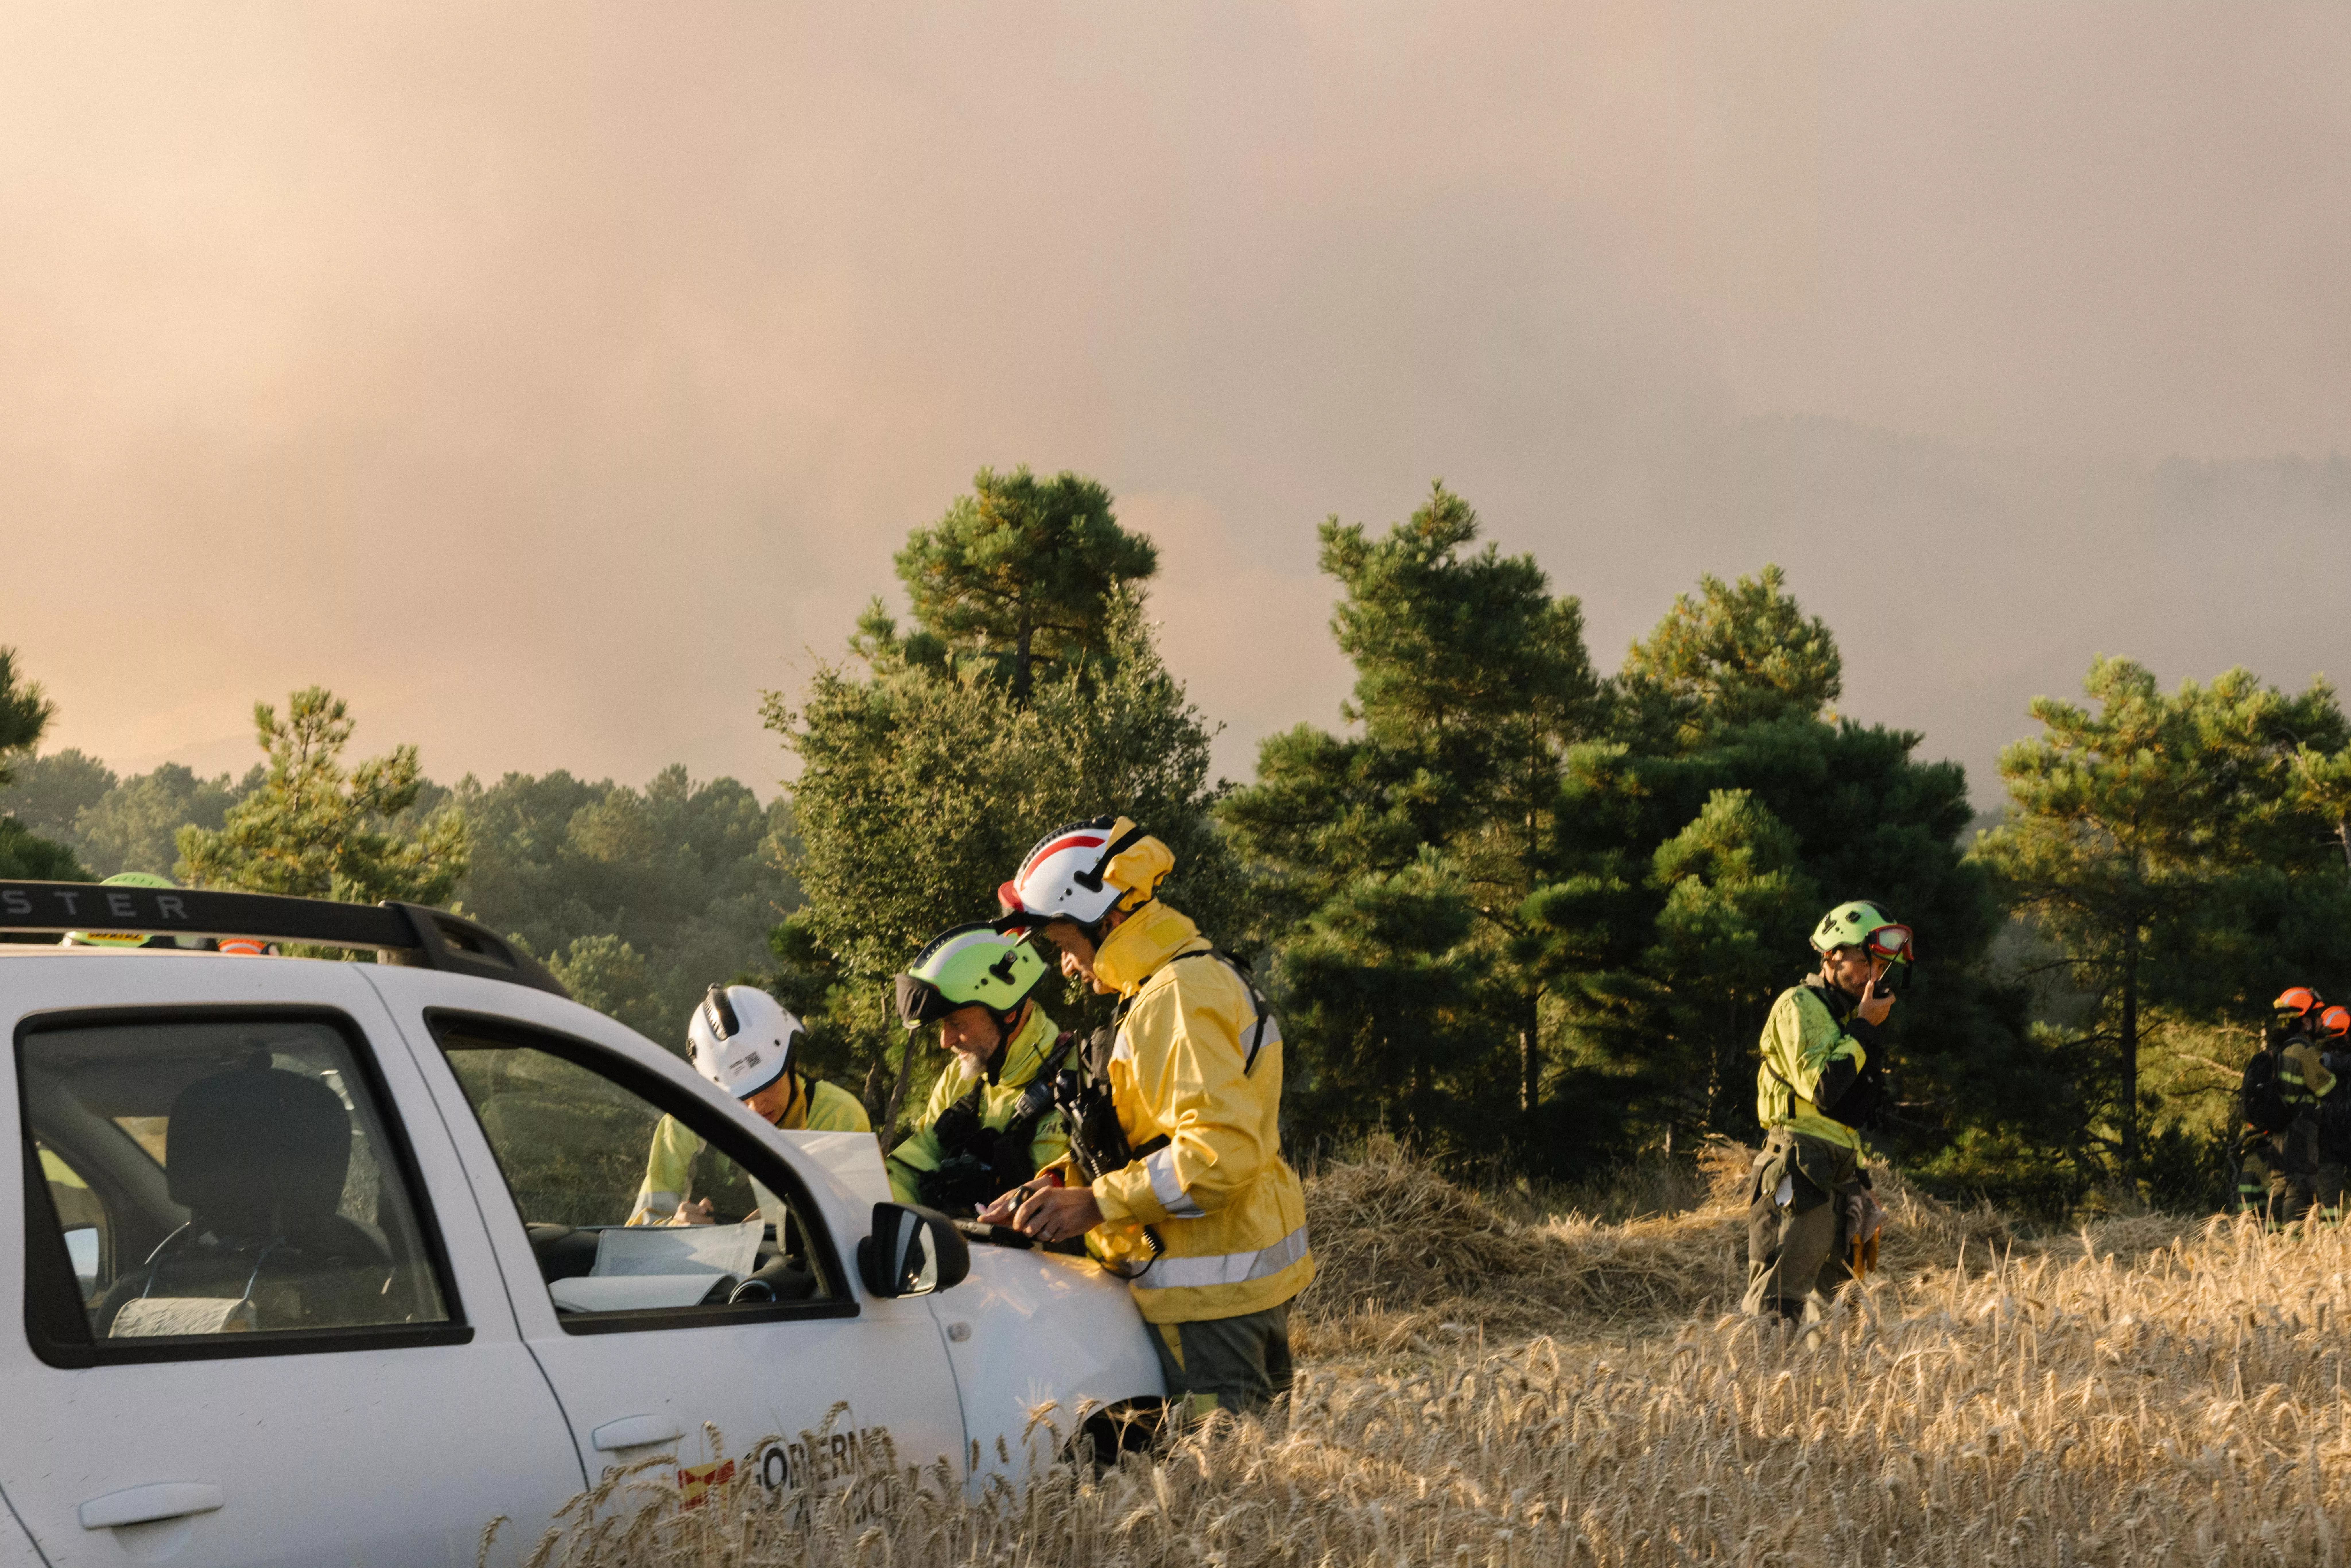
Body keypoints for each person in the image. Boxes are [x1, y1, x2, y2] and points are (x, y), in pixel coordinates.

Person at [979, 816, 1312, 1419]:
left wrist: (1097, 1203)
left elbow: (1219, 1154)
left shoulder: (1175, 996)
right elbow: (1148, 1138)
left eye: (1061, 944)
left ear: (1104, 919)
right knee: (1263, 1491)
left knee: (1228, 1495)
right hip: (1226, 1288)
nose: (1066, 966)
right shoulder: (1180, 979)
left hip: (1209, 1303)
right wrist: (1055, 1187)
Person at [1742, 899, 1914, 1324]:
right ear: (1832, 956)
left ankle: (1835, 1389)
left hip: (1838, 1170)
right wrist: (1863, 1030)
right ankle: (1764, 1385)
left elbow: (1847, 1115)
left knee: (1843, 1304)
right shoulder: (1799, 1005)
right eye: (1866, 962)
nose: (1875, 976)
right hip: (1798, 1164)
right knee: (1782, 1297)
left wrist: (1862, 1185)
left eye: (1882, 966)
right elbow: (1822, 1088)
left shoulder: (1848, 1022)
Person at [628, 984, 870, 1227]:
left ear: (789, 1060)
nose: (756, 1105)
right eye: (740, 1095)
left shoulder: (838, 1116)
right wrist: (676, 1229)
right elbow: (638, 1236)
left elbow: (864, 1229)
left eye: (767, 1083)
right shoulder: (686, 1124)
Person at [886, 921, 1074, 1213]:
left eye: (956, 1023)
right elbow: (915, 1162)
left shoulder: (1080, 1076)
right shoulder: (960, 1078)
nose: (945, 1041)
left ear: (1008, 1013)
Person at [2236, 988, 2340, 1227]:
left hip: (2281, 1131)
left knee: (2281, 1186)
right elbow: (2326, 1088)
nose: (2320, 1023)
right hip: (2301, 1130)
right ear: (2305, 1021)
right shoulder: (2303, 1052)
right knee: (2300, 1187)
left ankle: (2275, 1242)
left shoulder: (2279, 1050)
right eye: (2316, 1017)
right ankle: (2294, 1245)